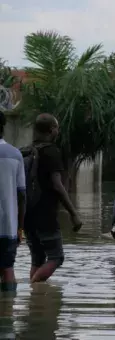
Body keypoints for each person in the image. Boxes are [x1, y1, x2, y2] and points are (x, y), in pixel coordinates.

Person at [22, 113, 82, 283]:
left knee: (37, 258)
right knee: (57, 257)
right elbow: (57, 185)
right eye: (57, 127)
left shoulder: (26, 150)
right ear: (52, 129)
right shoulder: (51, 152)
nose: (58, 131)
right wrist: (73, 214)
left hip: (26, 214)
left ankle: (34, 300)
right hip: (45, 214)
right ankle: (34, 286)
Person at [0, 111, 26, 293]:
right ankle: (8, 314)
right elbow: (22, 194)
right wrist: (20, 227)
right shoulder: (15, 154)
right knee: (8, 268)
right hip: (8, 226)